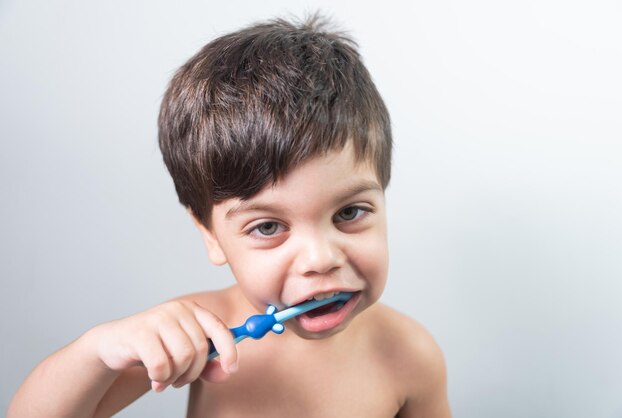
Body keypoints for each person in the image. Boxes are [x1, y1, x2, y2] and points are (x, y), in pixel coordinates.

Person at [8, 15, 451, 417]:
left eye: (350, 212)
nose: (320, 258)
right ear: (212, 237)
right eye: (268, 227)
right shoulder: (201, 329)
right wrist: (96, 352)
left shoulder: (409, 354)